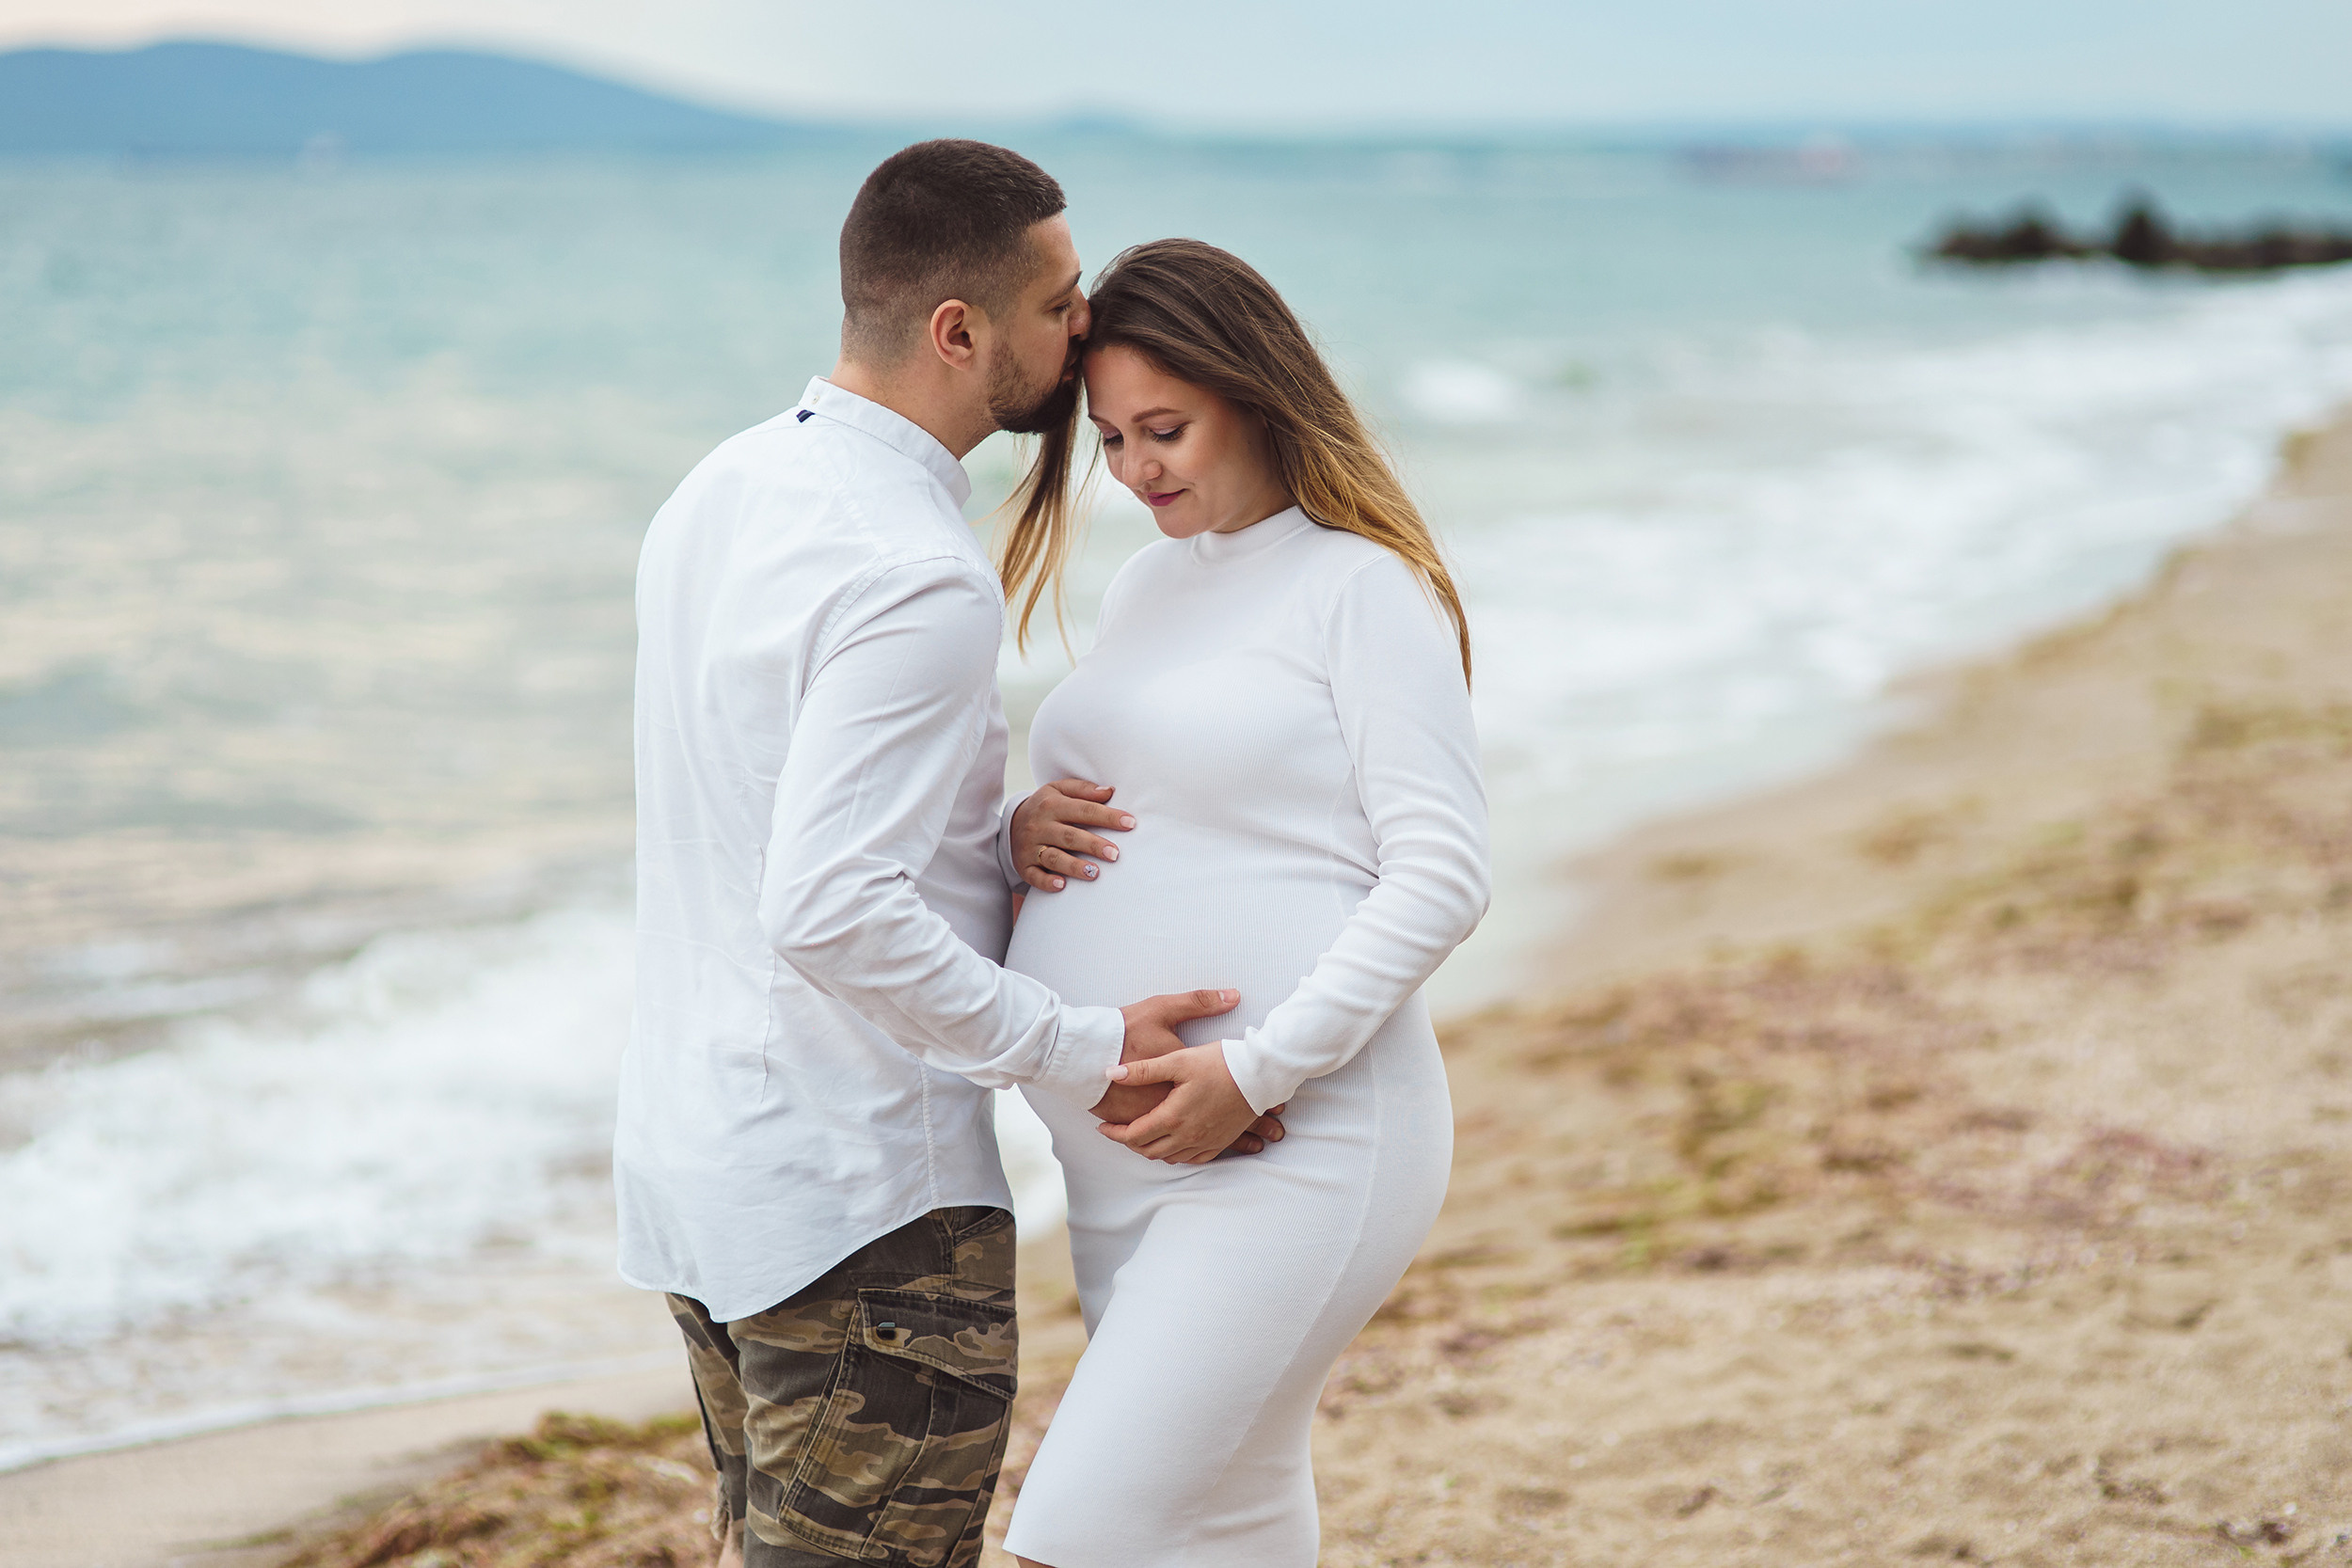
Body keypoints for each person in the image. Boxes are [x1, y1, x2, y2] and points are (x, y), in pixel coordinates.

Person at [614, 144, 1283, 1568]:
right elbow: (825, 905)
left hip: (702, 1170)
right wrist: (1084, 1045)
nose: (1084, 323)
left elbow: (758, 810)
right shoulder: (913, 571)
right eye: (1056, 302)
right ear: (958, 333)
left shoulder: (720, 493)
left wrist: (980, 838)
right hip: (866, 1207)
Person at [995, 239, 1490, 1566]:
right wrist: (1016, 824)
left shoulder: (1363, 588)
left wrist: (1258, 1072)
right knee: (1217, 1529)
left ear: (1254, 392)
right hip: (1123, 1157)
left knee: (1072, 1539)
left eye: (1167, 428)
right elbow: (1157, 797)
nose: (1137, 468)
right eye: (1109, 438)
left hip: (1300, 1139)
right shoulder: (1155, 580)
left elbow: (1445, 871)